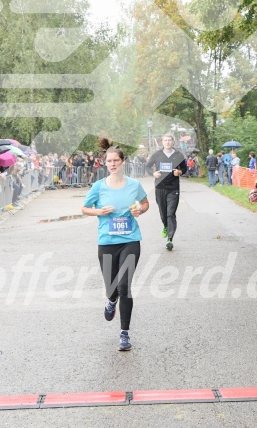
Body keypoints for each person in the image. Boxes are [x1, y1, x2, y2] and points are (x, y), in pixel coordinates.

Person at [82, 137, 149, 352]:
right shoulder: (99, 187)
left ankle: (124, 334)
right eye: (109, 161)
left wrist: (140, 209)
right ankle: (110, 301)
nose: (112, 164)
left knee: (124, 286)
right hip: (107, 242)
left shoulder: (134, 185)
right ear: (105, 163)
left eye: (115, 161)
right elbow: (85, 208)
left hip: (130, 240)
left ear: (122, 162)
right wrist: (99, 211)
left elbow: (145, 202)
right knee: (112, 288)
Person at [145, 133, 187, 251]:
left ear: (173, 142)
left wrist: (179, 172)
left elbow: (184, 168)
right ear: (162, 142)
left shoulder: (178, 155)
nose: (167, 142)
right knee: (163, 214)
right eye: (165, 140)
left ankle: (170, 238)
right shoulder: (157, 154)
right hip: (160, 187)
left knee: (170, 213)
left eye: (169, 140)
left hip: (173, 188)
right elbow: (148, 167)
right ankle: (165, 226)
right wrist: (153, 173)